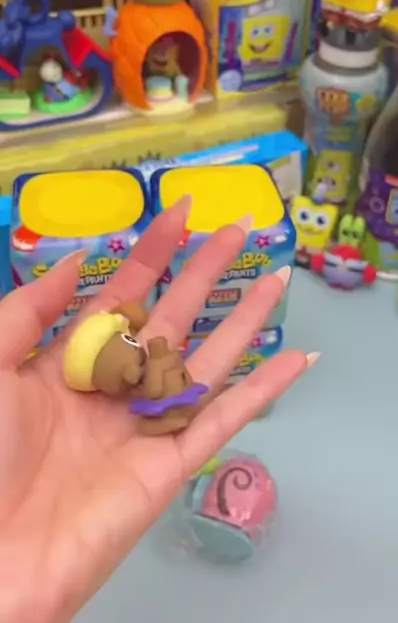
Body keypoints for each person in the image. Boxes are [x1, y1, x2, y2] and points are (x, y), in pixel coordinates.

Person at [0, 196, 317, 622]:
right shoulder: (137, 377)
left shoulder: (146, 356)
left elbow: (140, 339)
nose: (131, 366)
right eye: (114, 375)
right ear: (98, 385)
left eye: (128, 346)